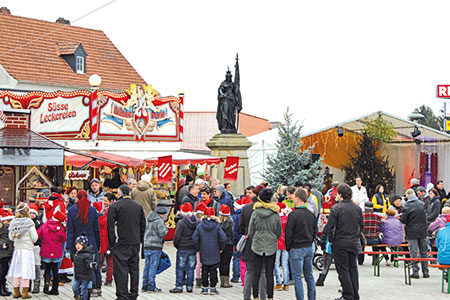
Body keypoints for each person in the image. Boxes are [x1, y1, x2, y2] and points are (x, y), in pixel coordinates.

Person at [323, 183, 363, 300]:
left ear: (340, 195)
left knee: (343, 270)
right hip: (353, 242)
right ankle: (355, 294)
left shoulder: (336, 208)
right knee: (353, 269)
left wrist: (331, 241)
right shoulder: (357, 209)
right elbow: (361, 226)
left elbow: (330, 227)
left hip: (340, 243)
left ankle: (347, 295)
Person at [107, 184, 146, 300]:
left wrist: (112, 243)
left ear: (119, 193)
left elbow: (110, 226)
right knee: (134, 268)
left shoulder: (115, 206)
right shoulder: (138, 206)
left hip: (122, 242)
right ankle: (134, 293)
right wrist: (140, 240)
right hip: (134, 242)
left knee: (120, 269)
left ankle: (122, 294)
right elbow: (143, 225)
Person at [248, 188, 282, 300]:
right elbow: (278, 232)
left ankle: (255, 296)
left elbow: (250, 232)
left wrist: (256, 238)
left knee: (256, 272)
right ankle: (270, 297)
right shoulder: (275, 214)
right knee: (269, 273)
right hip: (271, 245)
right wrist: (272, 238)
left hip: (257, 244)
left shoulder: (255, 213)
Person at [66, 191, 101, 297]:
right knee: (92, 267)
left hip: (77, 244)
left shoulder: (72, 211)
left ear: (77, 198)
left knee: (78, 268)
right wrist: (98, 244)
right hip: (91, 242)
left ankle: (78, 290)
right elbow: (96, 229)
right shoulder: (93, 210)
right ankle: (92, 288)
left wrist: (69, 247)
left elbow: (70, 231)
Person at [285, 188, 317, 300]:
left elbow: (288, 233)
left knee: (297, 277)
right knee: (309, 275)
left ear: (298, 199)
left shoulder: (293, 215)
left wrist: (288, 247)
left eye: (294, 198)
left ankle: (300, 298)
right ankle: (312, 298)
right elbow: (315, 231)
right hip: (309, 247)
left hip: (296, 248)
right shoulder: (311, 214)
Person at [238, 184, 267, 300]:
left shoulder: (246, 208)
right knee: (263, 272)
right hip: (264, 243)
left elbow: (240, 227)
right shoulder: (267, 209)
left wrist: (246, 232)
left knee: (250, 271)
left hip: (250, 242)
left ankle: (246, 295)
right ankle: (263, 296)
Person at [7, 203, 39, 299]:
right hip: (27, 249)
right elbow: (35, 237)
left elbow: (10, 237)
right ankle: (25, 291)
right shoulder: (29, 223)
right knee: (26, 270)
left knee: (17, 270)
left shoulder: (13, 222)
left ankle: (16, 291)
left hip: (17, 249)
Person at [193, 207, 226, 295]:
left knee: (204, 269)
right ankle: (213, 288)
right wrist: (221, 248)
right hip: (215, 249)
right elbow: (223, 238)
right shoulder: (217, 226)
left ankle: (204, 287)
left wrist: (198, 248)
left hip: (203, 249)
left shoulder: (200, 225)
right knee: (213, 269)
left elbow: (195, 238)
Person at [170, 203, 199, 293]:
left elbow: (177, 236)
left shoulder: (181, 223)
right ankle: (190, 286)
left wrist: (176, 245)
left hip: (182, 247)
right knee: (190, 267)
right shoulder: (197, 222)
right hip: (193, 247)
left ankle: (179, 286)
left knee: (180, 267)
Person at [401, 188, 429, 279]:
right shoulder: (422, 204)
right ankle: (425, 271)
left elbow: (404, 220)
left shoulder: (406, 206)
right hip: (422, 230)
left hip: (412, 231)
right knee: (424, 251)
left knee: (414, 251)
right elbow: (426, 216)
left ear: (407, 196)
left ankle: (415, 271)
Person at [37, 211, 67, 295]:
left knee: (47, 269)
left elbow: (38, 235)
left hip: (46, 250)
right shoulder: (60, 227)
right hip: (56, 250)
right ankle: (55, 289)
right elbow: (64, 239)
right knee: (55, 270)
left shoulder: (45, 225)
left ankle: (46, 284)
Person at [142, 203, 168, 293]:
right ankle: (151, 286)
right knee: (153, 266)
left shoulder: (148, 219)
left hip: (146, 245)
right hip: (155, 246)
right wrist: (166, 228)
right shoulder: (159, 221)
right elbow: (162, 233)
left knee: (147, 265)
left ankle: (144, 285)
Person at [231, 196, 252, 284]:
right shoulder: (251, 214)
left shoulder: (236, 217)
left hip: (240, 241)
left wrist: (234, 242)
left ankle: (240, 278)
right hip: (249, 240)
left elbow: (235, 231)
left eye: (235, 207)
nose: (234, 208)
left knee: (239, 259)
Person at [98, 193, 115, 286]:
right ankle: (108, 279)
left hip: (106, 238)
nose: (104, 202)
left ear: (111, 201)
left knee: (102, 260)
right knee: (109, 260)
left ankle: (105, 278)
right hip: (109, 238)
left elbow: (103, 223)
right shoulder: (107, 210)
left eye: (106, 201)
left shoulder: (108, 212)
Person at [73, 234, 95, 300]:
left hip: (86, 276)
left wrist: (91, 265)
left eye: (80, 244)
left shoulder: (87, 254)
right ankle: (77, 296)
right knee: (75, 287)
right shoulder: (76, 253)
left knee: (83, 288)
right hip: (77, 275)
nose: (78, 246)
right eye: (76, 244)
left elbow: (88, 263)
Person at [274, 202, 290, 291]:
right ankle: (286, 283)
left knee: (276, 263)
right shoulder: (288, 219)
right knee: (285, 263)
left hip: (277, 242)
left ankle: (278, 282)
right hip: (286, 243)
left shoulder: (276, 219)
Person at [218, 204, 234, 288]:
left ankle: (221, 280)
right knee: (227, 262)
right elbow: (232, 233)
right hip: (229, 243)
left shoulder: (218, 221)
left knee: (221, 262)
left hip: (220, 243)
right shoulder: (230, 221)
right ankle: (226, 281)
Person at [28, 203, 42, 294]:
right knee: (28, 266)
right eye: (30, 213)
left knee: (37, 266)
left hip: (36, 246)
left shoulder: (38, 223)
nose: (32, 215)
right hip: (28, 246)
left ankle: (36, 286)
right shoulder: (27, 223)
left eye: (33, 213)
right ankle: (28, 285)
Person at [0, 209, 14, 296]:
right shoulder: (2, 228)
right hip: (2, 252)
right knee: (2, 271)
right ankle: (1, 289)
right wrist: (2, 244)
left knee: (5, 271)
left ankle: (4, 287)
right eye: (6, 220)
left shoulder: (9, 227)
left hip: (7, 252)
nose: (8, 222)